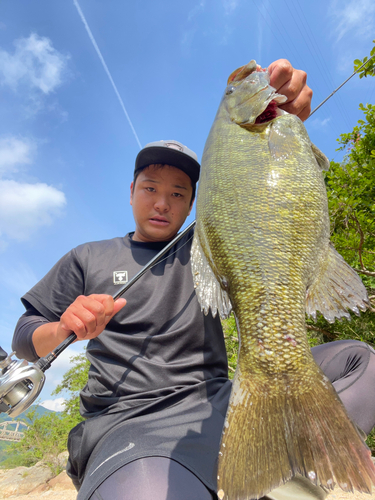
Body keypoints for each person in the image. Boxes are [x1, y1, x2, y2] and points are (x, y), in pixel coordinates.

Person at [12, 60, 375, 500]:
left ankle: (274, 446)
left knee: (363, 362)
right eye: (150, 188)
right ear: (130, 192)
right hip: (128, 422)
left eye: (179, 193)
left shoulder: (213, 241)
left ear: (195, 204)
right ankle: (275, 461)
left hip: (221, 403)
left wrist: (284, 124)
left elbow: (264, 205)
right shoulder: (89, 256)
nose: (162, 202)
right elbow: (24, 337)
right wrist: (63, 327)